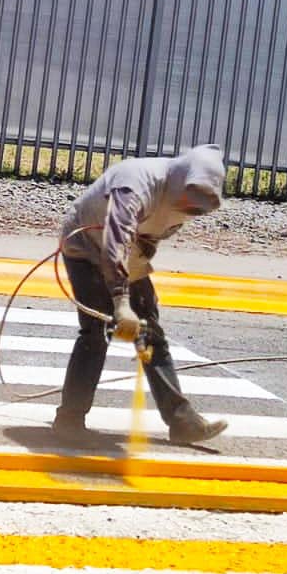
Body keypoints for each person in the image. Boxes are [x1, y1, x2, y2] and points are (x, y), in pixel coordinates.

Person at [53, 144, 230, 447]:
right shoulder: (135, 184)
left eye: (201, 207)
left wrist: (137, 299)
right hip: (86, 247)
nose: (193, 210)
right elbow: (115, 242)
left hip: (129, 254)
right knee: (95, 333)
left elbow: (142, 238)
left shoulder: (188, 197)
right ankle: (69, 421)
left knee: (150, 334)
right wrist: (121, 301)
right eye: (191, 200)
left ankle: (182, 422)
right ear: (181, 180)